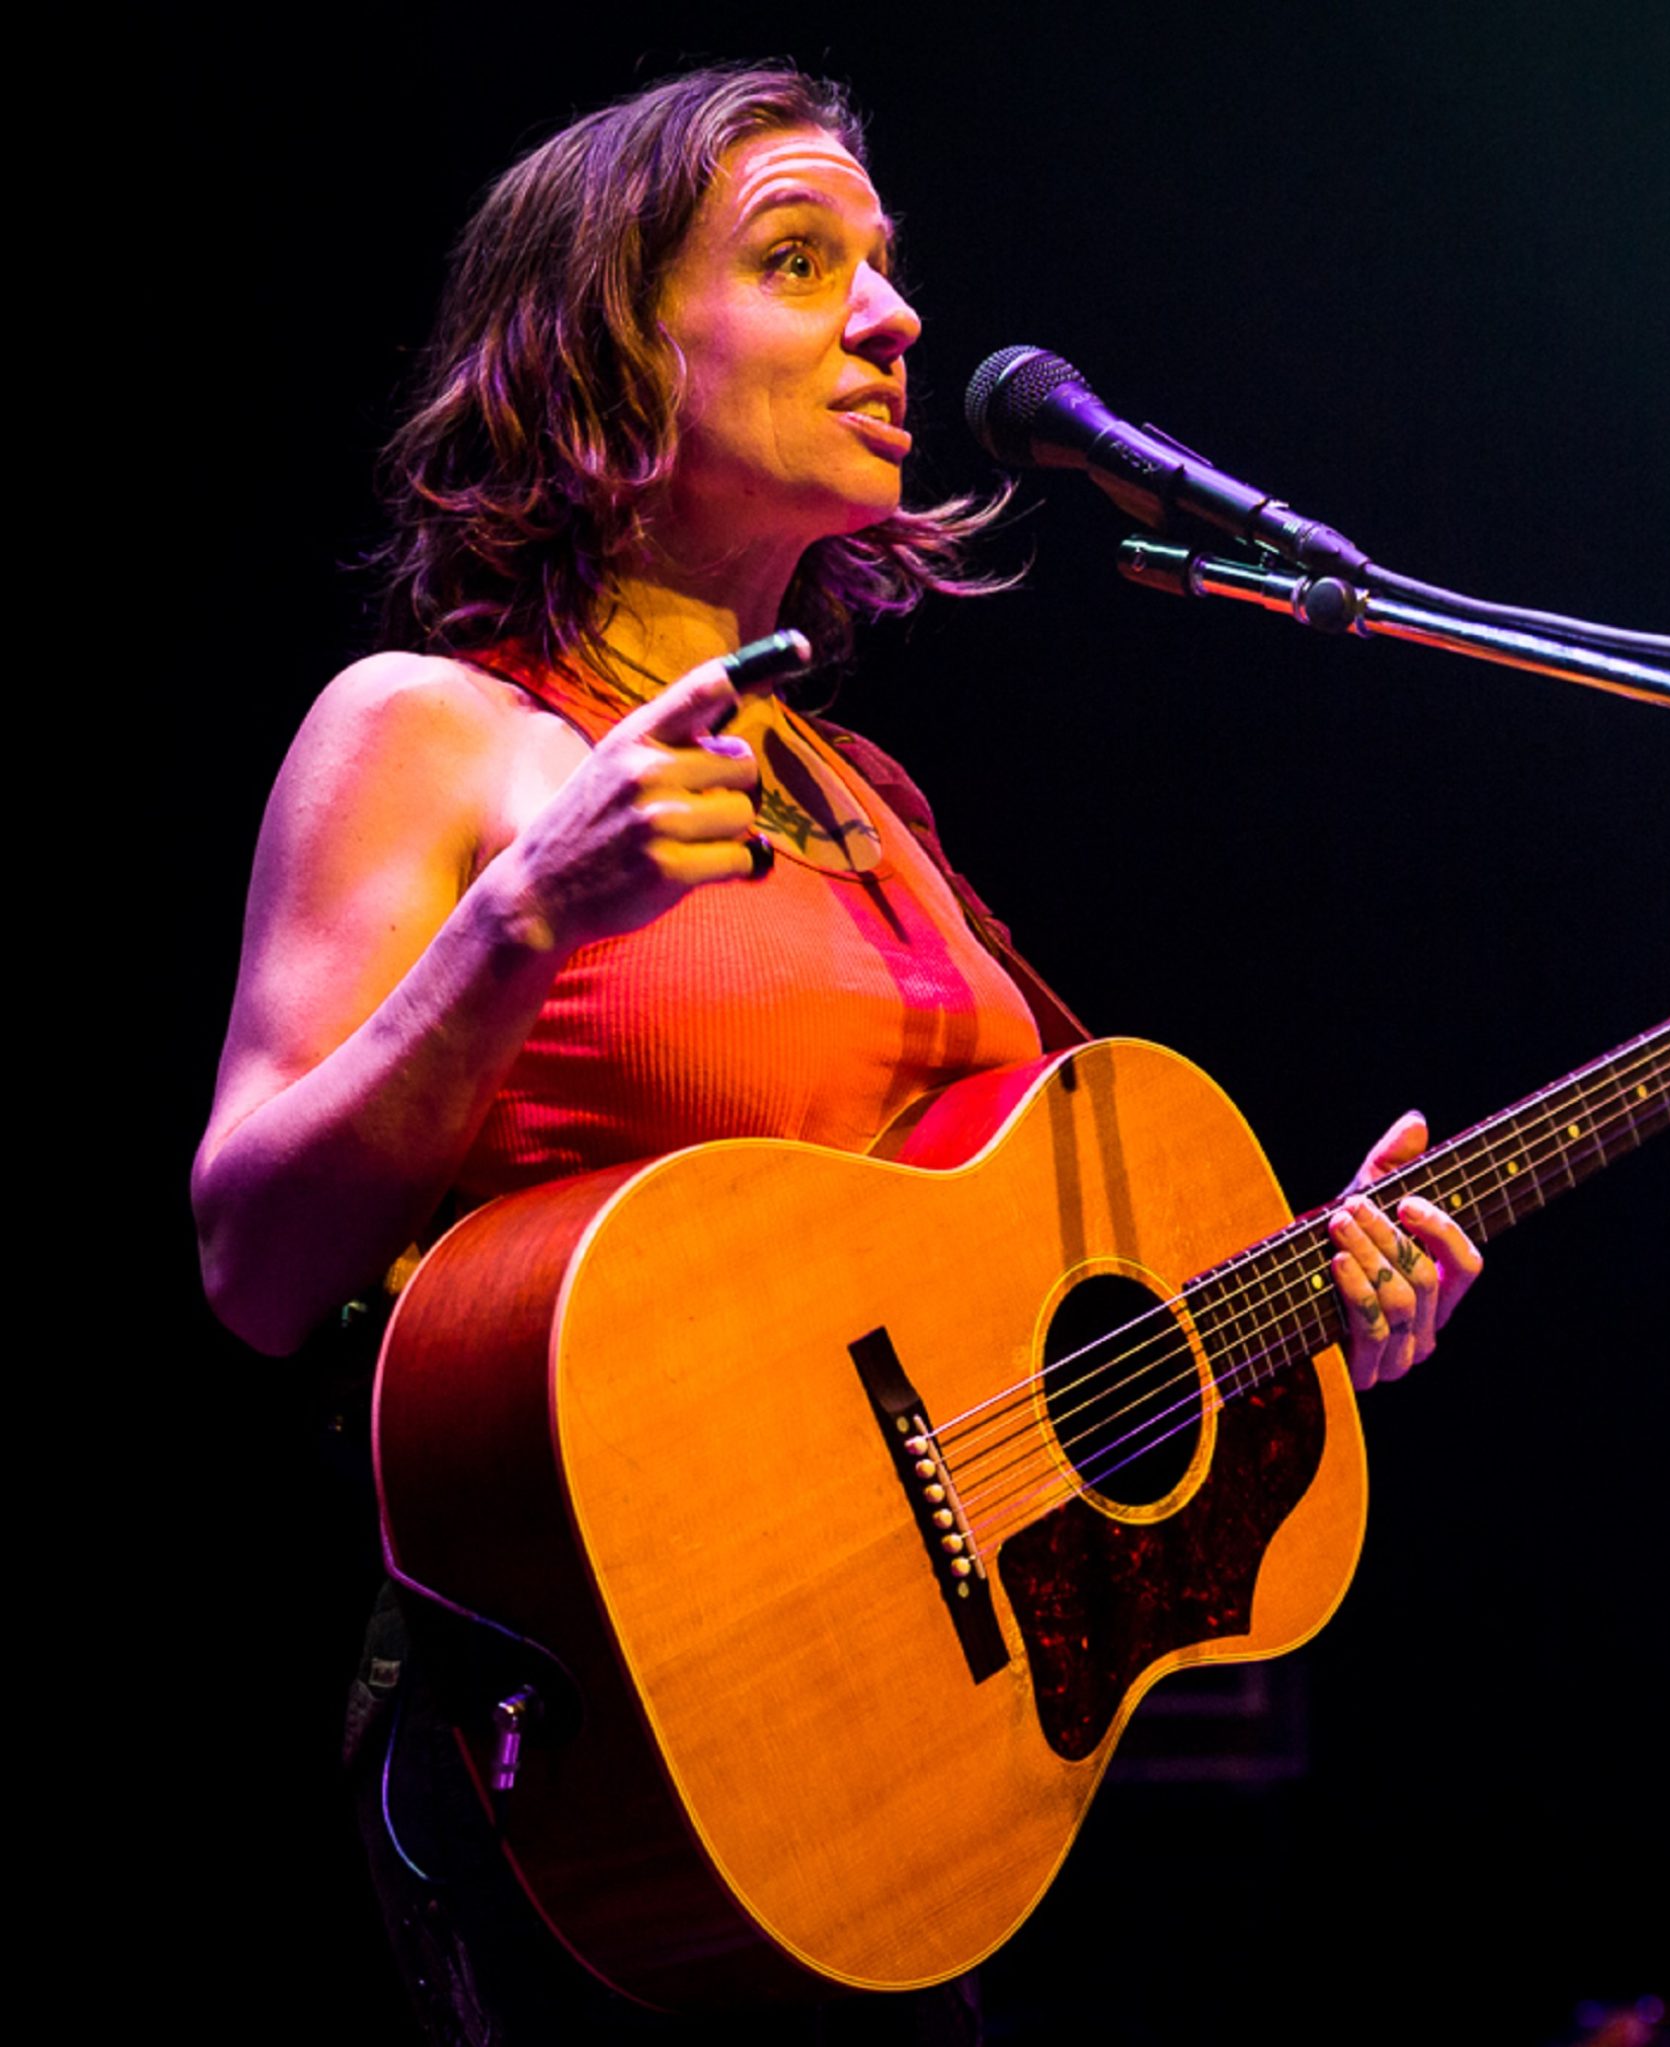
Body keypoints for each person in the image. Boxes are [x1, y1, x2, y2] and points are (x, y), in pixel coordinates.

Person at [190, 64, 1482, 2043]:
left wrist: (1319, 1287)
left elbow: (1007, 1284)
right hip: (599, 1733)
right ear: (600, 346)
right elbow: (255, 1263)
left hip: (878, 1765)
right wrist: (517, 922)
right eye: (799, 264)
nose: (890, 319)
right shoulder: (432, 733)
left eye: (884, 270)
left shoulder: (866, 796)